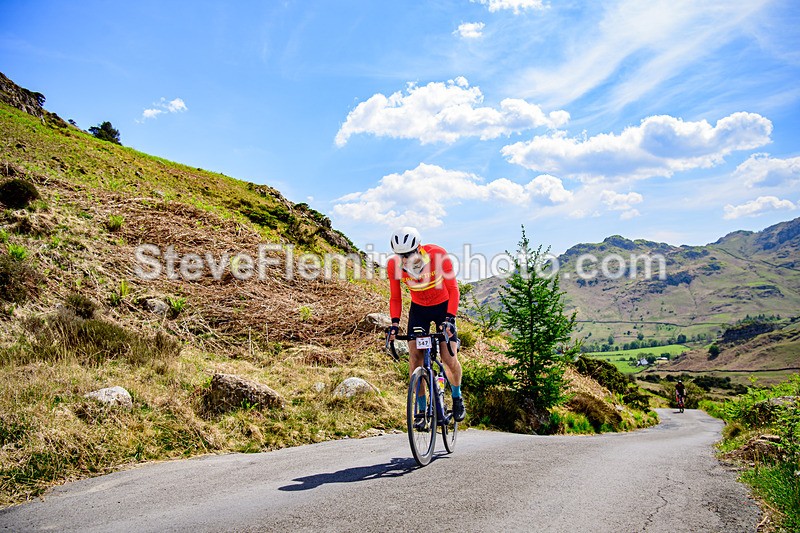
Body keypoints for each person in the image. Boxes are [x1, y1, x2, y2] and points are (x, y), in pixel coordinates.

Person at [385, 226, 466, 423]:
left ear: (418, 248)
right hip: (419, 310)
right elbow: (396, 298)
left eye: (408, 254)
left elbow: (454, 291)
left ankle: (456, 397)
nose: (404, 259)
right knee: (415, 358)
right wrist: (395, 324)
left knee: (448, 358)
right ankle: (421, 411)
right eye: (400, 255)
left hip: (443, 308)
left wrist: (449, 319)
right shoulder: (393, 266)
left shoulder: (438, 255)